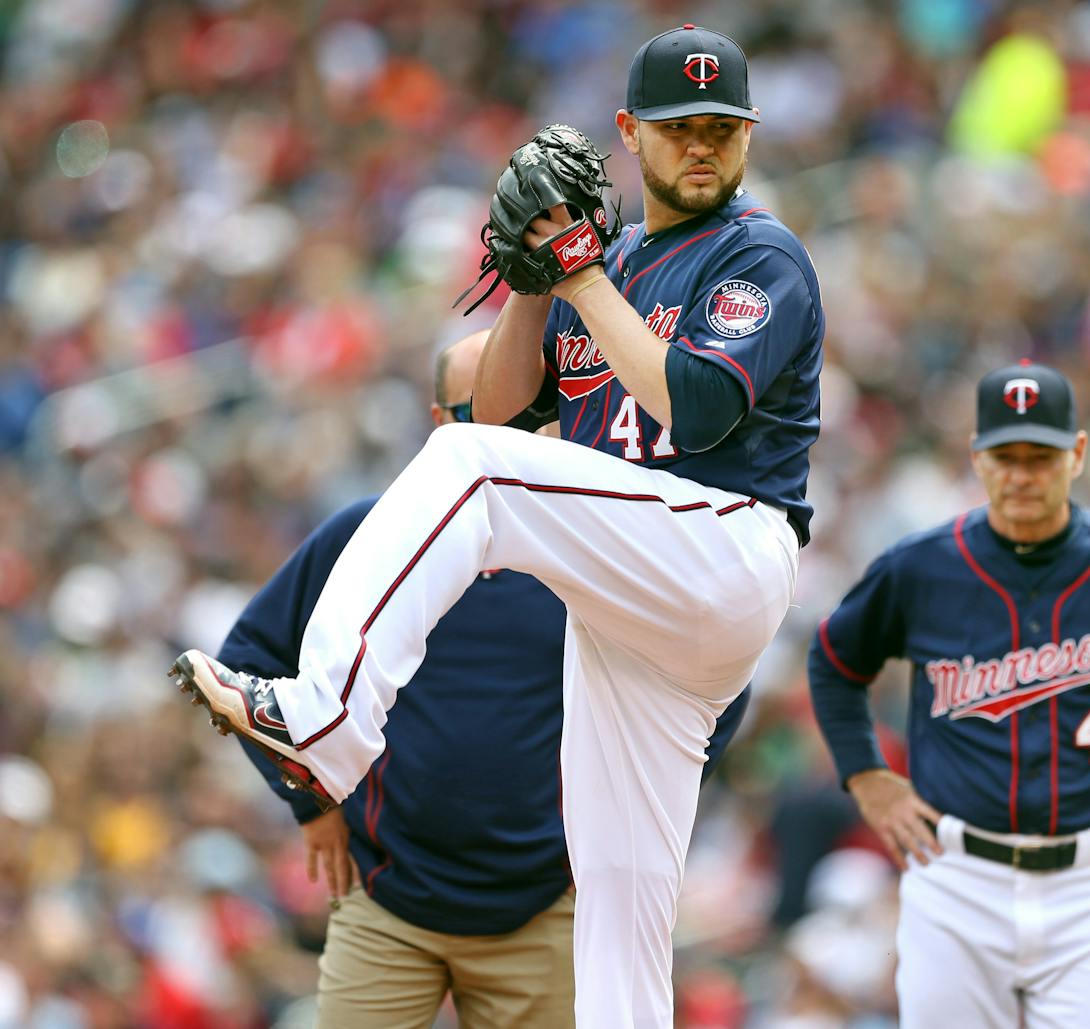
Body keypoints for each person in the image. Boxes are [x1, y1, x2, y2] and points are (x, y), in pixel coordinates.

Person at [170, 24, 824, 1029]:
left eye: (722, 129)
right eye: (679, 126)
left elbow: (691, 406)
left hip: (722, 542)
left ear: (748, 138)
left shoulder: (758, 254)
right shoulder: (604, 274)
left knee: (465, 472)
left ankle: (325, 717)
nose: (702, 145)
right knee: (619, 920)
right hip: (630, 608)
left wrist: (580, 270)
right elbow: (502, 412)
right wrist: (533, 282)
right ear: (630, 134)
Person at [213, 329, 750, 1028]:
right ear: (440, 425)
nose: (500, 433)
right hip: (387, 897)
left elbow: (714, 679)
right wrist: (310, 799)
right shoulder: (366, 533)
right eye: (478, 413)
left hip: (543, 907)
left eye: (524, 411)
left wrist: (629, 808)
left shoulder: (597, 543)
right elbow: (248, 658)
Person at [807, 360, 1090, 1028]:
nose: (1022, 474)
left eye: (1041, 456)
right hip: (955, 875)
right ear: (977, 457)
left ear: (1076, 454)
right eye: (1005, 455)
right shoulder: (921, 566)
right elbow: (833, 658)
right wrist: (865, 774)